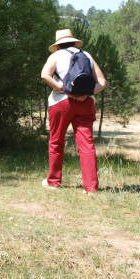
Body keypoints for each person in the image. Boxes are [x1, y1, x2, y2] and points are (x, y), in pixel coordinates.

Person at [40, 29, 107, 193]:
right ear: (74, 41)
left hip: (61, 103)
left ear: (58, 44)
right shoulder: (87, 56)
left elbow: (44, 75)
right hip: (86, 104)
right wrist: (86, 94)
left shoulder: (55, 56)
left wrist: (63, 89)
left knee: (56, 142)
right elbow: (102, 83)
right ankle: (91, 187)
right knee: (87, 145)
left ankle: (54, 181)